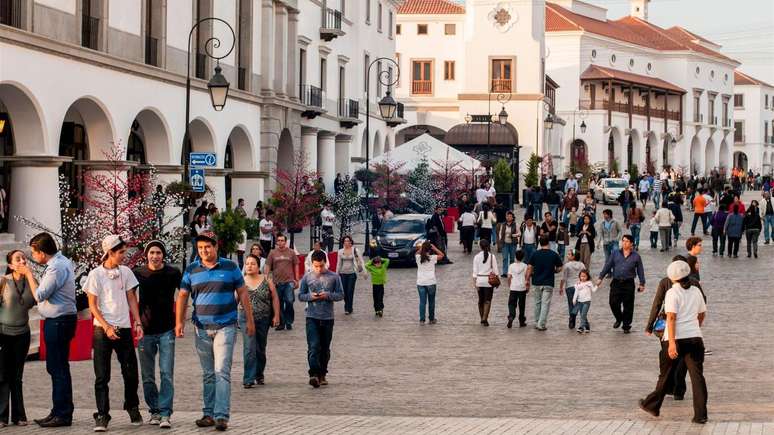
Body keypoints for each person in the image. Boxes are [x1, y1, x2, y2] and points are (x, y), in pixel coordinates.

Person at [176, 230, 254, 432]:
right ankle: (208, 414)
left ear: (216, 246)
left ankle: (221, 416)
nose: (203, 251)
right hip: (201, 328)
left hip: (225, 326)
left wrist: (250, 320)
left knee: (222, 372)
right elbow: (183, 296)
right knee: (208, 374)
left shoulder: (230, 267)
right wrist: (179, 322)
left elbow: (243, 292)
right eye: (200, 248)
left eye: (207, 247)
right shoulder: (192, 269)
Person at [84, 235, 144, 431]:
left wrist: (137, 321)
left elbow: (131, 298)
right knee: (102, 375)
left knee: (131, 372)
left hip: (124, 328)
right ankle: (102, 414)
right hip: (102, 330)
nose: (123, 256)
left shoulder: (126, 272)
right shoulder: (95, 275)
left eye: (124, 252)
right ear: (109, 253)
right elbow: (92, 305)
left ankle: (132, 405)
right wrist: (107, 326)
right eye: (120, 252)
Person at [639, 260, 708, 424]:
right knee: (698, 377)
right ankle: (701, 415)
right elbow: (702, 313)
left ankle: (652, 405)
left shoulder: (672, 292)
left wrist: (671, 343)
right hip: (695, 338)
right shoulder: (696, 290)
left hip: (676, 339)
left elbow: (671, 317)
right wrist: (695, 326)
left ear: (673, 277)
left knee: (666, 374)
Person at [29, 233, 77, 428]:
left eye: (34, 252)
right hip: (59, 320)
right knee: (57, 367)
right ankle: (58, 409)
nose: (33, 256)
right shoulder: (60, 262)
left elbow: (40, 294)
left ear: (41, 252)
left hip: (59, 321)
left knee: (58, 368)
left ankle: (63, 413)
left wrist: (28, 275)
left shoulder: (56, 267)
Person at [133, 240, 181, 428]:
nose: (155, 256)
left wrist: (179, 322)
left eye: (158, 252)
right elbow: (129, 296)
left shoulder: (173, 273)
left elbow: (184, 294)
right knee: (147, 375)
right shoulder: (138, 273)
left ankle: (165, 413)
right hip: (145, 330)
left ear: (163, 255)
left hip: (167, 329)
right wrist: (136, 322)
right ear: (146, 254)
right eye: (152, 252)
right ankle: (154, 410)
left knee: (166, 373)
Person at [0, 250, 37, 427]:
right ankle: (1, 416)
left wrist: (30, 275)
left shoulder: (31, 281)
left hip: (23, 334)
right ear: (10, 265)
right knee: (3, 376)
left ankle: (19, 416)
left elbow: (38, 298)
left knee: (17, 376)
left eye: (24, 258)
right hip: (3, 334)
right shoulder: (3, 281)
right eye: (18, 259)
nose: (22, 261)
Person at [298, 251, 344, 388]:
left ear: (326, 262)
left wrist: (328, 295)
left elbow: (340, 295)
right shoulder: (307, 278)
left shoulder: (334, 277)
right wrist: (311, 297)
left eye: (321, 266)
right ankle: (313, 374)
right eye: (316, 266)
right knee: (313, 347)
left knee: (324, 348)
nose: (319, 269)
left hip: (328, 317)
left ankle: (322, 373)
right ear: (312, 264)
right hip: (312, 316)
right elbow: (300, 296)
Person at [239, 255, 280, 389]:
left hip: (263, 318)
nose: (249, 266)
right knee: (249, 348)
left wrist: (276, 316)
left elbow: (274, 297)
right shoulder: (241, 281)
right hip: (245, 318)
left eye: (253, 264)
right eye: (247, 264)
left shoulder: (266, 279)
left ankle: (259, 374)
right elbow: (234, 300)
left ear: (258, 266)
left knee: (260, 348)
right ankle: (248, 378)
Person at [596, 234, 646, 334]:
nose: (624, 243)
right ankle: (619, 318)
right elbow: (608, 265)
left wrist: (642, 283)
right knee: (613, 302)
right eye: (623, 241)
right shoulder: (615, 253)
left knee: (628, 305)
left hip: (629, 283)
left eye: (627, 241)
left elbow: (640, 270)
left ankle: (626, 325)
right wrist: (600, 277)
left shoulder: (636, 256)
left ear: (631, 243)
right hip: (616, 282)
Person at [525, 236, 563, 331]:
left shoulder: (535, 254)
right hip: (548, 282)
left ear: (540, 243)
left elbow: (529, 267)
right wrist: (554, 271)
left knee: (537, 303)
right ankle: (541, 324)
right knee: (545, 304)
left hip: (536, 282)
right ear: (548, 243)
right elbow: (560, 267)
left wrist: (527, 280)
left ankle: (537, 321)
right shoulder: (554, 254)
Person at [266, 234, 300, 329]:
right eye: (279, 240)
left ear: (285, 242)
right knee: (278, 303)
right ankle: (281, 322)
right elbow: (268, 266)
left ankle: (289, 321)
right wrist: (267, 278)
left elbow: (296, 264)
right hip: (276, 282)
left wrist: (297, 279)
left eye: (282, 240)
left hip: (289, 281)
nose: (280, 242)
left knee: (289, 301)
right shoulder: (272, 253)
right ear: (277, 242)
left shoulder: (291, 252)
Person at [415, 241, 444, 324]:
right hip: (431, 282)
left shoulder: (418, 257)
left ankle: (422, 319)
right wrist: (434, 248)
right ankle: (431, 319)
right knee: (431, 301)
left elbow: (417, 252)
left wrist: (422, 248)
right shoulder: (432, 258)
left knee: (422, 302)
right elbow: (442, 255)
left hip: (420, 282)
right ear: (430, 249)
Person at [472, 239, 499, 326]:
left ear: (480, 246)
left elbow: (474, 272)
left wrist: (474, 282)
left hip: (479, 280)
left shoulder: (476, 257)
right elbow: (496, 271)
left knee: (480, 300)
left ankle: (482, 318)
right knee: (487, 300)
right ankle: (485, 318)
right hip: (488, 281)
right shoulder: (492, 256)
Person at [336, 235, 364, 315]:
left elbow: (360, 260)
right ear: (343, 242)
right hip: (343, 273)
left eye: (348, 241)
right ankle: (347, 305)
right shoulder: (340, 251)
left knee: (350, 291)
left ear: (351, 242)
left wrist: (361, 269)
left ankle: (348, 308)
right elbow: (338, 264)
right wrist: (336, 274)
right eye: (345, 241)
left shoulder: (355, 250)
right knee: (344, 292)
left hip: (352, 273)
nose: (347, 243)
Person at [559, 249, 586, 330]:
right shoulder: (582, 265)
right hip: (580, 286)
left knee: (571, 304)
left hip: (570, 287)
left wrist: (561, 287)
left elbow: (563, 278)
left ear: (573, 256)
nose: (567, 255)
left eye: (569, 254)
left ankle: (572, 320)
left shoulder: (567, 265)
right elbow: (585, 275)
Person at [506, 250, 528, 328]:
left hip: (513, 287)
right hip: (522, 287)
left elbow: (509, 277)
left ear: (515, 257)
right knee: (522, 305)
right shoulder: (525, 266)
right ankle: (521, 321)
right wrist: (528, 286)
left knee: (511, 304)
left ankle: (511, 316)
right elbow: (527, 277)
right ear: (523, 258)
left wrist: (509, 285)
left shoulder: (511, 266)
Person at [497, 211, 519, 278]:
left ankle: (511, 272)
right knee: (505, 258)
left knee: (512, 258)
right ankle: (505, 272)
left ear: (512, 217)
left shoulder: (516, 224)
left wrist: (513, 235)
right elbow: (500, 233)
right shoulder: (503, 224)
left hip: (513, 244)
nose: (508, 218)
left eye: (510, 216)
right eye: (507, 216)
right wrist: (501, 239)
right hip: (505, 244)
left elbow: (519, 233)